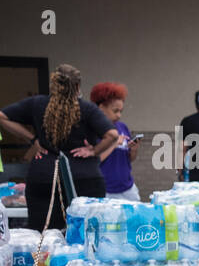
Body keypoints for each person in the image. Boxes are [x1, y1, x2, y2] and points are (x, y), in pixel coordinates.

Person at [0, 64, 116, 230]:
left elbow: (2, 116)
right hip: (84, 178)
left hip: (44, 177)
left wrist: (33, 139)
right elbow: (112, 135)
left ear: (53, 85)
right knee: (87, 234)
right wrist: (93, 150)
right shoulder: (88, 109)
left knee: (43, 234)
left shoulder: (37, 104)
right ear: (77, 87)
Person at [90, 81, 140, 201]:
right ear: (101, 108)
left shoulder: (122, 127)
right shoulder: (93, 131)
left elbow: (129, 159)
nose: (119, 115)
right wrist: (113, 144)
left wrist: (133, 150)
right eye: (115, 111)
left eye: (121, 111)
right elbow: (94, 161)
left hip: (128, 188)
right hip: (105, 191)